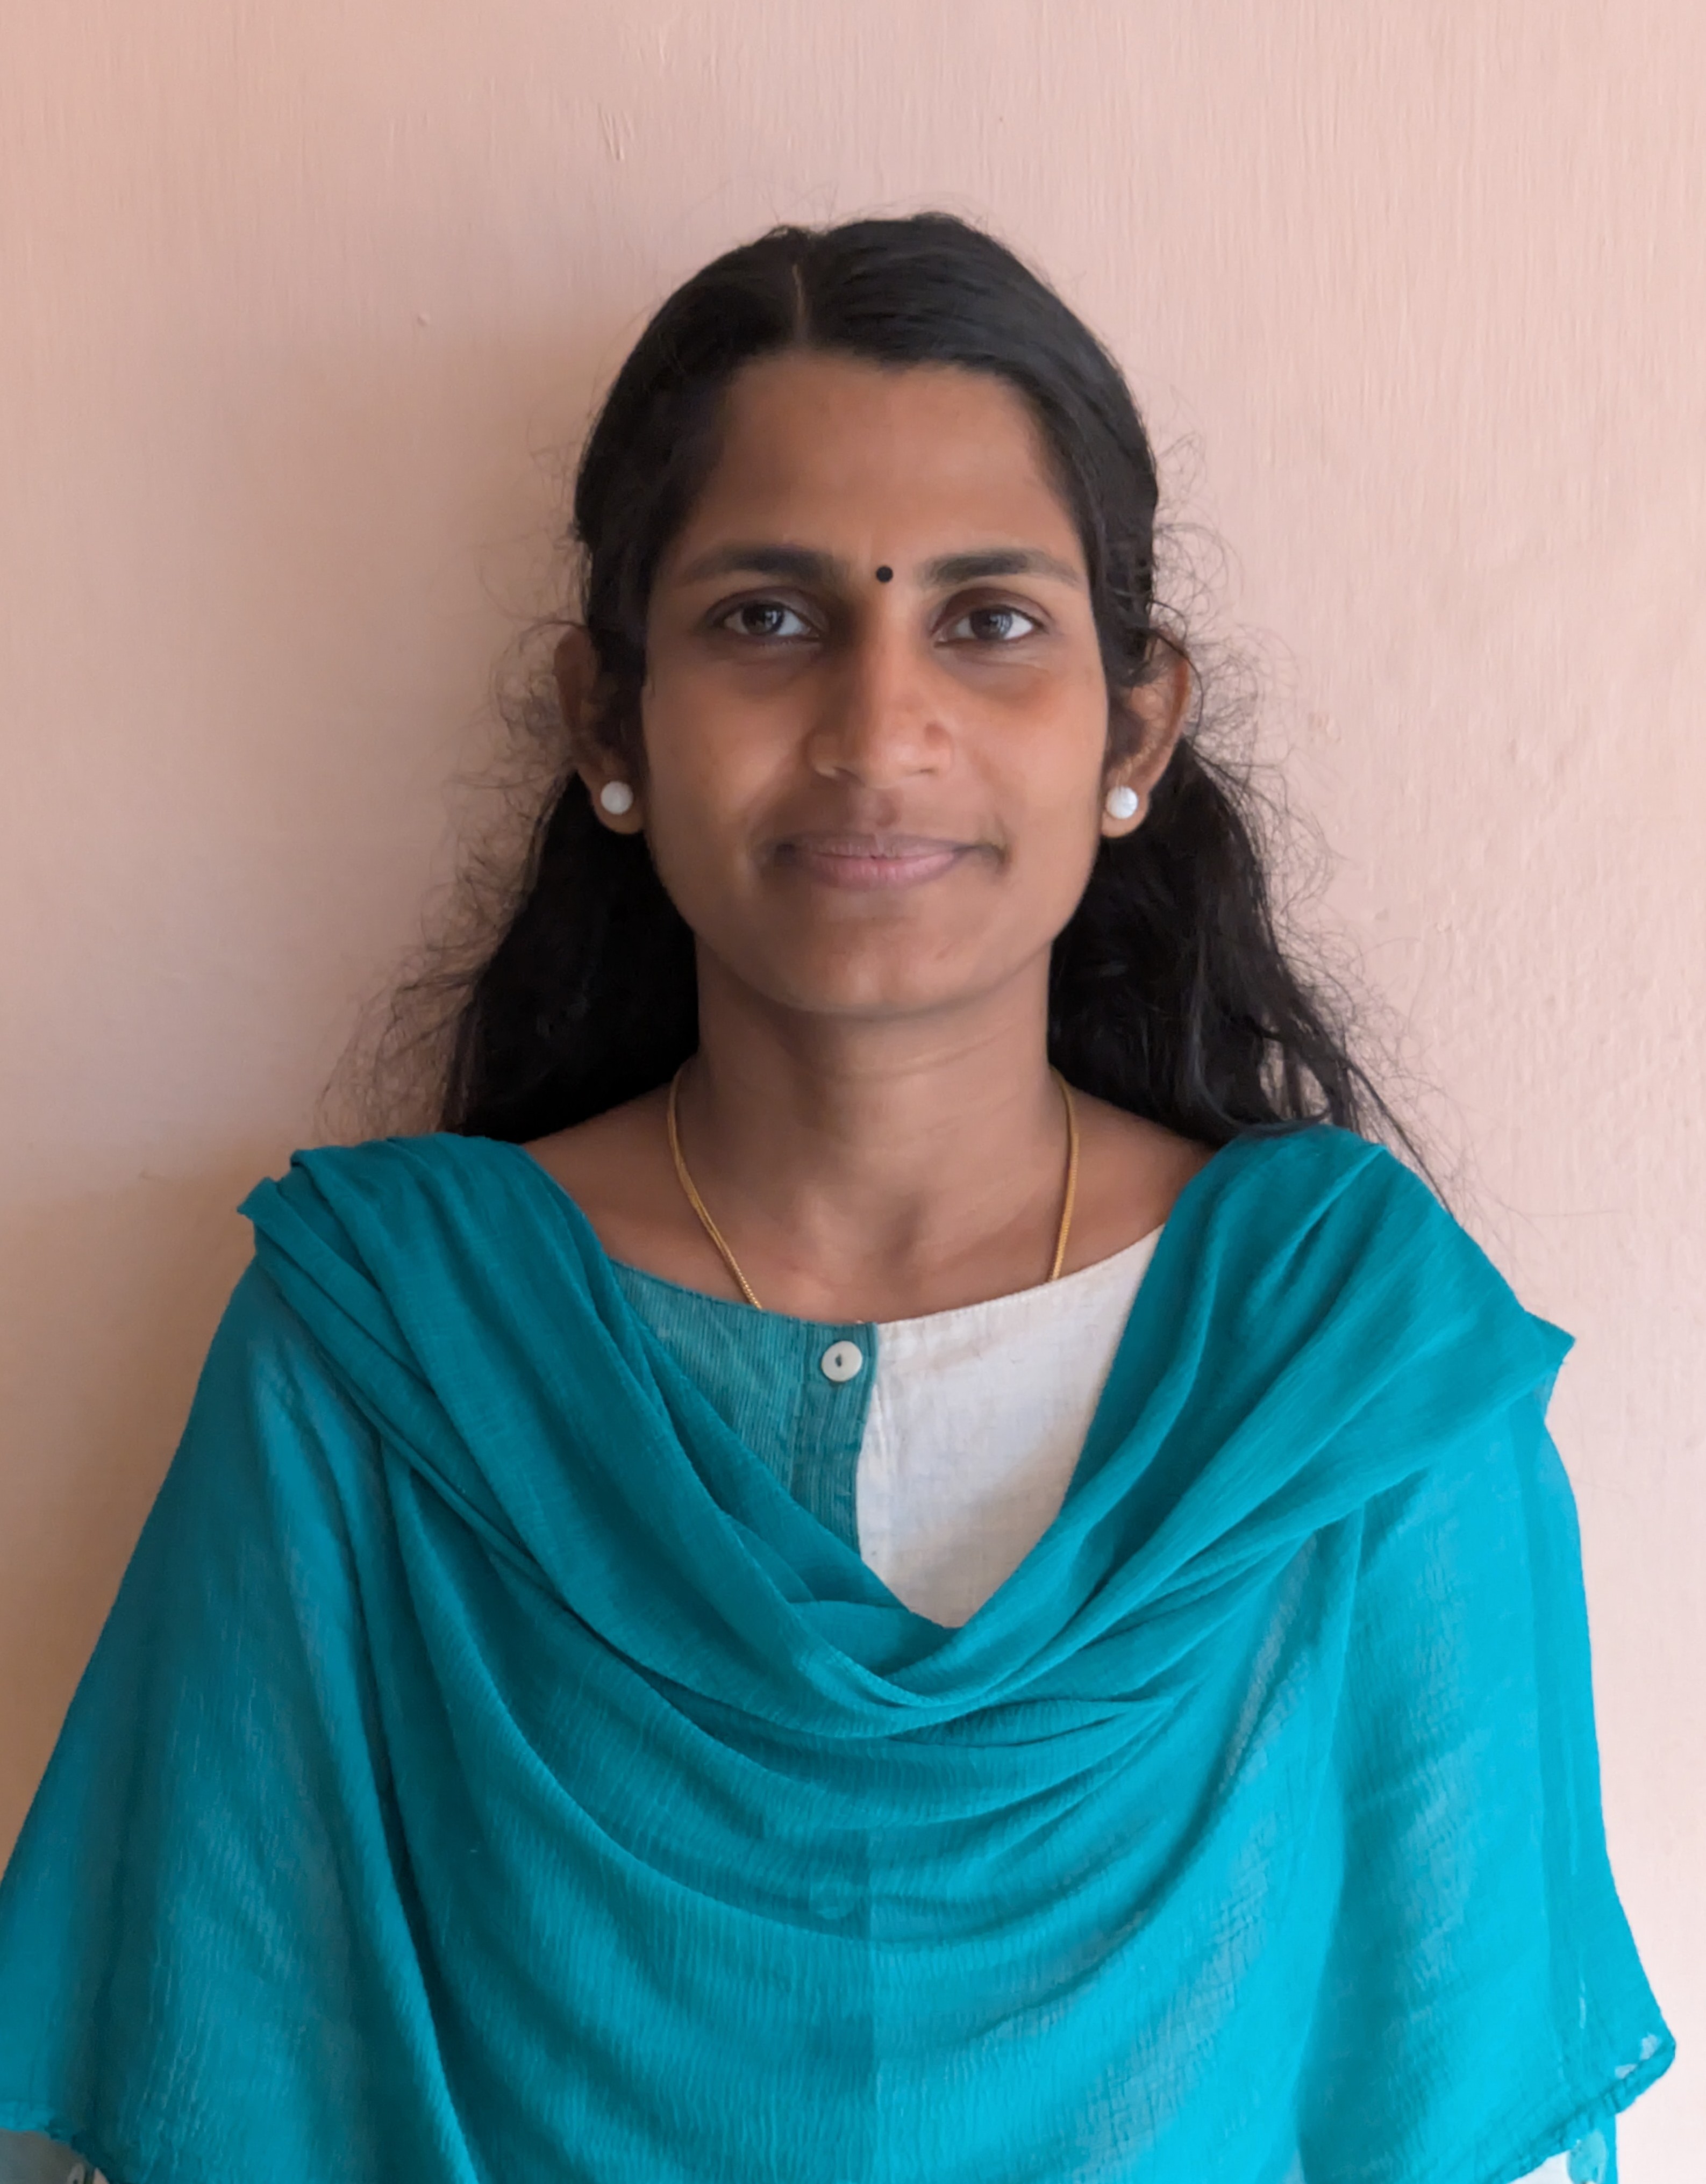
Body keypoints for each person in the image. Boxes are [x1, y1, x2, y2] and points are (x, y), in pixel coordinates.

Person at [0, 214, 1672, 2184]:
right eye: (768, 620)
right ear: (609, 720)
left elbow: (1451, 2104)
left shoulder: (1345, 1371)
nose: (881, 734)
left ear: (1135, 728)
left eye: (991, 621)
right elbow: (227, 2084)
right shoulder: (390, 1352)